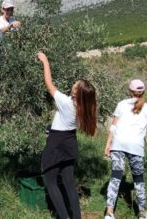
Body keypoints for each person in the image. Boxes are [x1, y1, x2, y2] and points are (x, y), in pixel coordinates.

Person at [37, 52, 97, 219]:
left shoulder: (67, 103)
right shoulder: (85, 108)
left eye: (75, 85)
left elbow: (49, 85)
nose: (73, 84)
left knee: (50, 182)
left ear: (77, 93)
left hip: (56, 142)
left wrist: (45, 61)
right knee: (69, 184)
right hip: (70, 141)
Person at [103, 79, 147, 219]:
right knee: (138, 179)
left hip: (118, 145)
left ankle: (109, 213)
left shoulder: (121, 105)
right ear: (143, 91)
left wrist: (108, 145)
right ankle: (142, 213)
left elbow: (113, 126)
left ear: (129, 91)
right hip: (136, 147)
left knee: (115, 178)